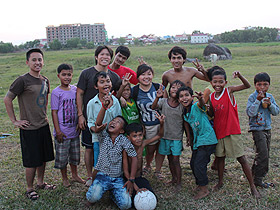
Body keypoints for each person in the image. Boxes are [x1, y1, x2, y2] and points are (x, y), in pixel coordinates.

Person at [4, 48, 55, 200]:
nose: (37, 62)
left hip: (43, 125)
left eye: (40, 59)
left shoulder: (45, 80)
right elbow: (7, 99)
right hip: (29, 128)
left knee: (43, 157)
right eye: (34, 60)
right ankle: (29, 188)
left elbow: (44, 100)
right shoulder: (22, 80)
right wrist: (15, 121)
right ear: (27, 62)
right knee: (32, 160)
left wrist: (44, 116)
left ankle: (40, 182)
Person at [208, 67, 260, 198]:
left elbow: (247, 86)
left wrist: (240, 76)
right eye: (215, 82)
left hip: (232, 131)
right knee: (220, 158)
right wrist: (205, 106)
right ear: (211, 82)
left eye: (221, 82)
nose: (217, 84)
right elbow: (212, 115)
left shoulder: (228, 91)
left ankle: (252, 186)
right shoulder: (211, 97)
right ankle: (220, 182)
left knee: (241, 158)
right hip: (219, 132)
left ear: (225, 82)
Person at [76, 45, 121, 186]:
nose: (105, 57)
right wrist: (80, 115)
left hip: (110, 120)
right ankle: (91, 176)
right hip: (90, 118)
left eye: (108, 55)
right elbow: (79, 93)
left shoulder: (113, 76)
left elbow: (118, 94)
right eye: (102, 54)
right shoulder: (86, 73)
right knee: (90, 147)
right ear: (96, 56)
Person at [86, 92, 137, 210]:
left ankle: (113, 194)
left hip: (117, 178)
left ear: (122, 131)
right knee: (92, 197)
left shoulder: (123, 141)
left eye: (118, 122)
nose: (113, 122)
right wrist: (104, 106)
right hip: (102, 176)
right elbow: (98, 124)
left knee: (126, 205)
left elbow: (134, 156)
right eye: (113, 121)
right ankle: (98, 190)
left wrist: (131, 179)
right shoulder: (103, 136)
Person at [177, 86, 218, 199]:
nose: (184, 98)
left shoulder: (196, 106)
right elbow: (186, 123)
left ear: (191, 97)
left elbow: (201, 104)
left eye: (187, 95)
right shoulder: (186, 112)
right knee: (193, 164)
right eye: (181, 96)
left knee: (199, 164)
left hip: (207, 140)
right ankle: (200, 184)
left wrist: (201, 99)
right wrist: (189, 137)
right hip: (198, 141)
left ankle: (204, 189)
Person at [51, 63, 84, 187]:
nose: (66, 77)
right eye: (64, 75)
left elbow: (79, 106)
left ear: (72, 75)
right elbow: (54, 112)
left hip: (74, 131)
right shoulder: (56, 92)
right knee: (62, 157)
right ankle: (65, 178)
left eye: (69, 74)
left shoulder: (75, 90)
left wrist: (79, 123)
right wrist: (58, 131)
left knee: (74, 156)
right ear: (58, 76)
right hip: (62, 133)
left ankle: (75, 175)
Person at [123, 112, 165, 206]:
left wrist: (161, 124)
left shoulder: (143, 144)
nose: (138, 139)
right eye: (135, 136)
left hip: (138, 178)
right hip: (128, 179)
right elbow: (126, 173)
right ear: (128, 138)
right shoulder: (126, 150)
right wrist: (136, 188)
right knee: (131, 202)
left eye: (140, 135)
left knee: (150, 197)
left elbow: (159, 135)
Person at [131, 64, 165, 178]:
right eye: (143, 74)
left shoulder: (159, 87)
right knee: (150, 148)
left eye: (149, 74)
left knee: (161, 148)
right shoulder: (134, 91)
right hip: (148, 124)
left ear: (153, 75)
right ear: (138, 77)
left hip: (162, 123)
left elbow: (166, 104)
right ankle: (148, 165)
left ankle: (158, 170)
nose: (146, 77)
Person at [246, 72, 279, 188]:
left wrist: (269, 104)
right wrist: (258, 101)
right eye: (259, 85)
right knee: (263, 154)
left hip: (267, 129)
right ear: (255, 85)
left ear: (269, 85)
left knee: (262, 153)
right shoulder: (252, 97)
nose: (262, 87)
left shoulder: (269, 96)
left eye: (265, 85)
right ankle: (258, 179)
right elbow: (250, 113)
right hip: (257, 129)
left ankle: (254, 174)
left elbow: (276, 112)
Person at [151, 80, 185, 190]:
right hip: (164, 136)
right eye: (173, 87)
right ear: (169, 89)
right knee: (170, 159)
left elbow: (185, 123)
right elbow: (153, 107)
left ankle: (179, 182)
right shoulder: (164, 102)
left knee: (176, 160)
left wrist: (188, 137)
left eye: (178, 87)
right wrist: (157, 97)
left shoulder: (182, 105)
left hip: (176, 138)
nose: (175, 89)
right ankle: (174, 178)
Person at [87, 71, 122, 168]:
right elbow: (90, 122)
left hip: (113, 139)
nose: (106, 84)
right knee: (99, 163)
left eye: (108, 81)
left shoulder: (115, 101)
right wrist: (95, 129)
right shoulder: (92, 103)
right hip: (98, 139)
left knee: (114, 162)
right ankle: (98, 181)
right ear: (96, 86)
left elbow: (119, 118)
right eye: (102, 82)